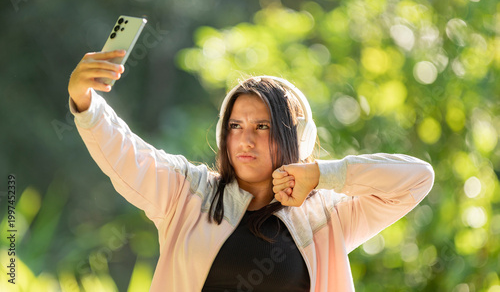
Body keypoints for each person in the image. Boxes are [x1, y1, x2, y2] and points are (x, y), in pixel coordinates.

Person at [68, 50, 434, 292]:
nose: (246, 140)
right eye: (235, 126)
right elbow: (126, 153)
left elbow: (417, 179)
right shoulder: (186, 194)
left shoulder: (328, 216)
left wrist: (323, 175)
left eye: (263, 127)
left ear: (297, 138)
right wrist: (85, 101)